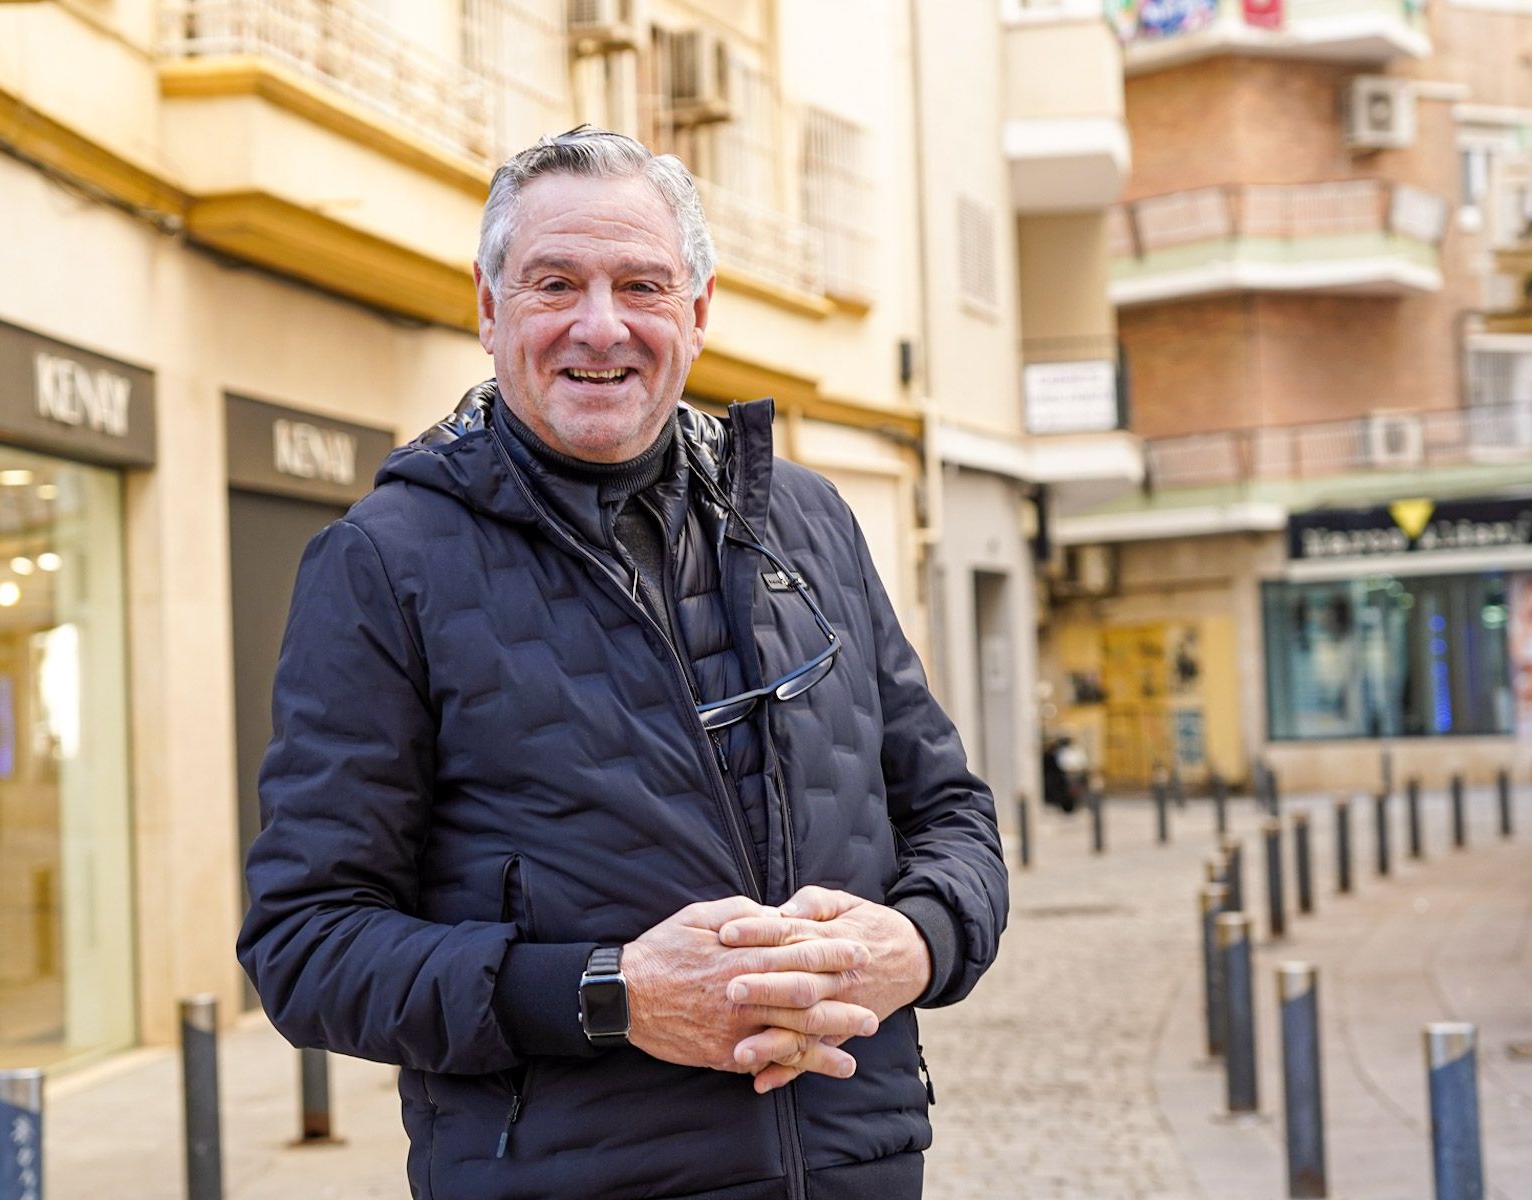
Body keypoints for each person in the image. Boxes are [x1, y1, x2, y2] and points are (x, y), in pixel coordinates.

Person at [240, 127, 1008, 1200]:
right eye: (556, 283)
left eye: (640, 285)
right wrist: (614, 993)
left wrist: (916, 946)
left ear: (695, 311)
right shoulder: (382, 562)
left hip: (858, 1173)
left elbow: (954, 817)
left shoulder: (811, 520)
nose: (600, 327)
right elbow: (306, 946)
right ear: (490, 306)